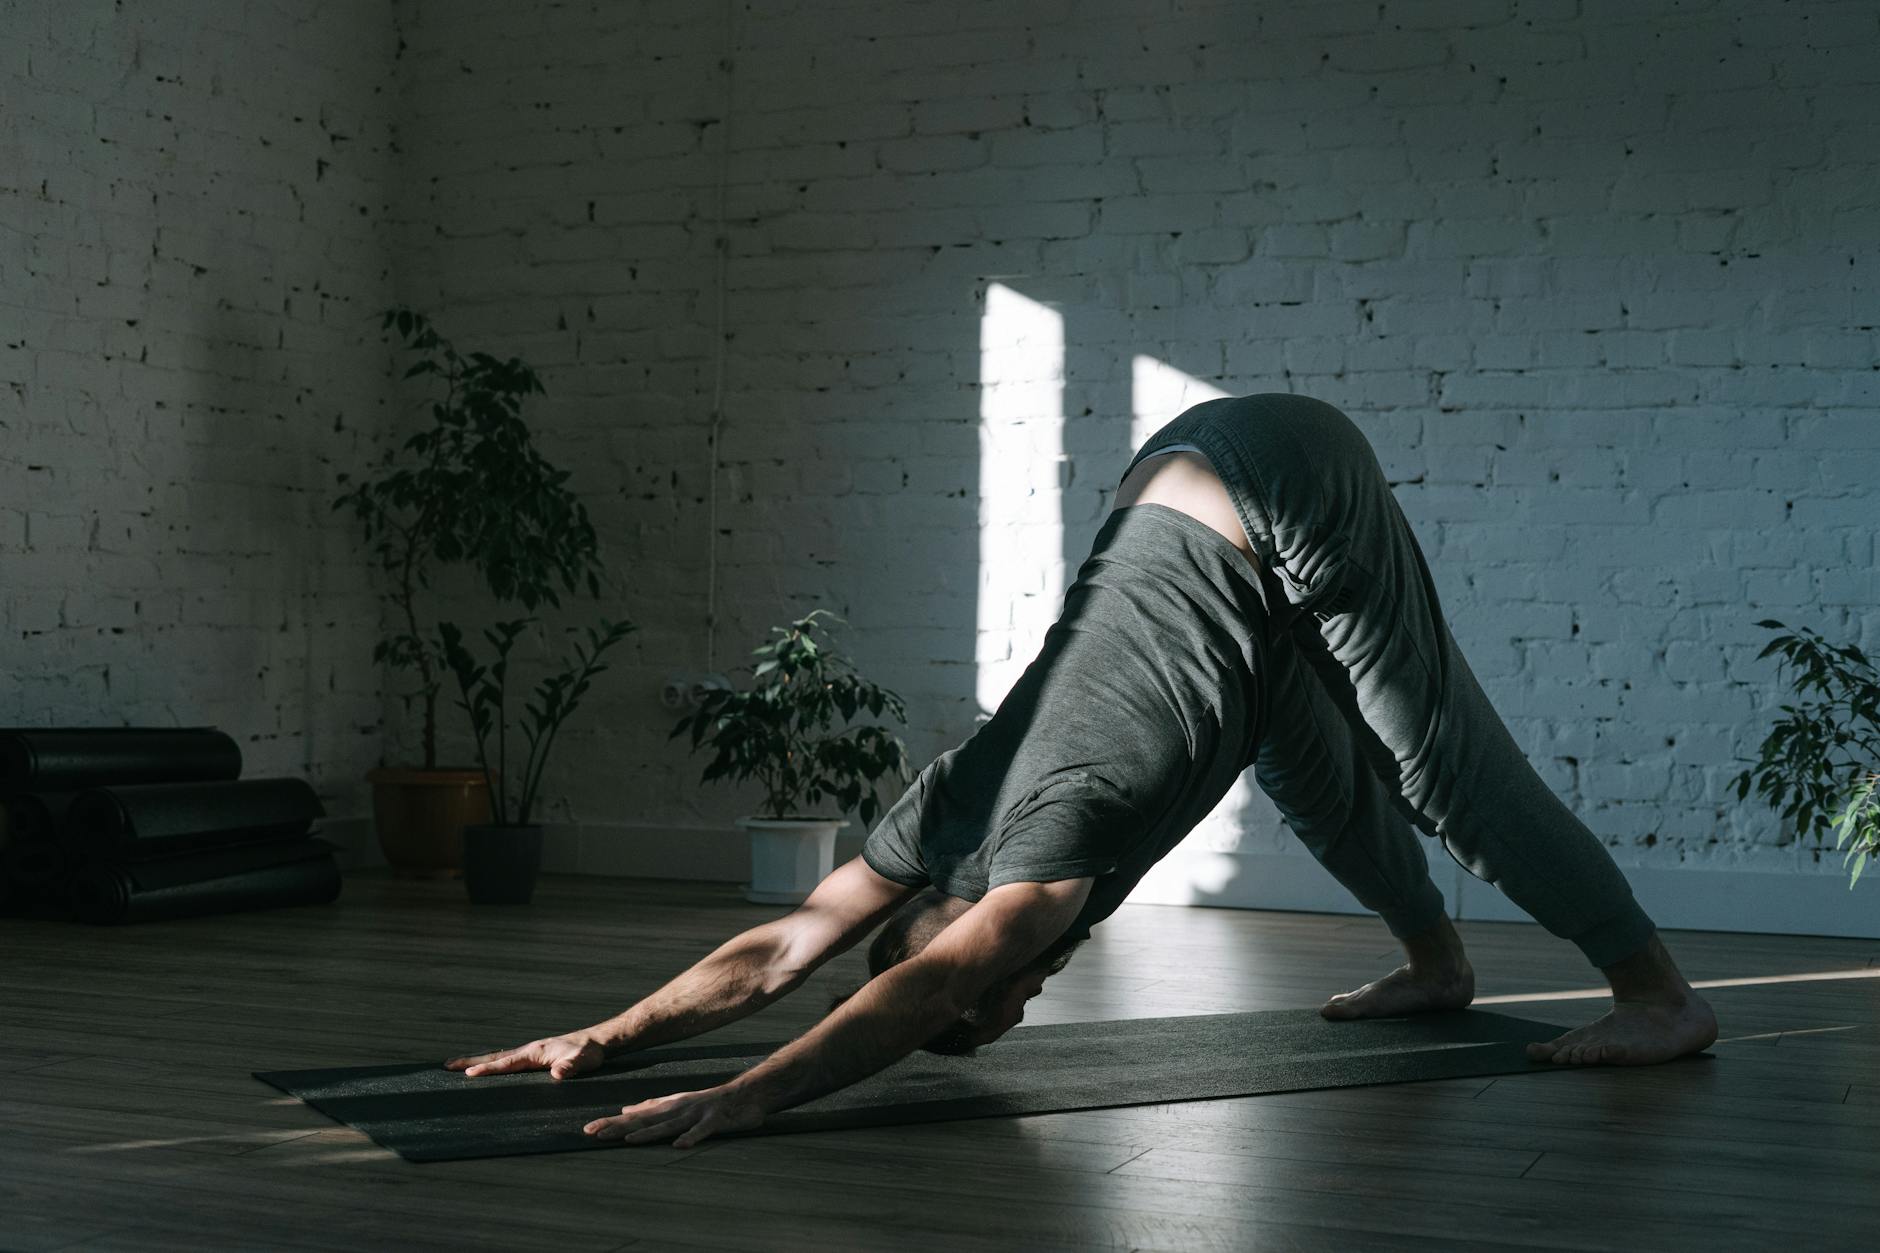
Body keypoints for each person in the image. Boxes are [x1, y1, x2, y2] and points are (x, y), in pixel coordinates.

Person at [448, 393, 1718, 1149]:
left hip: (1274, 481)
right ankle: (1435, 964)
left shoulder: (1039, 867)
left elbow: (905, 987)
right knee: (1310, 770)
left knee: (1439, 768)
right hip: (1189, 485)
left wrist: (742, 1097)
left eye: (994, 1008)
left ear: (985, 975)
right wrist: (607, 1034)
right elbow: (782, 948)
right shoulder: (937, 818)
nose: (1017, 1013)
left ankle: (1657, 994)